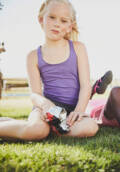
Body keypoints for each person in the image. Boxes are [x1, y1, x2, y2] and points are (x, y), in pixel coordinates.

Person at [0, 0, 112, 140]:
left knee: (91, 127)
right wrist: (46, 105)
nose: (57, 23)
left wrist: (78, 111)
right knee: (37, 130)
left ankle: (53, 128)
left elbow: (85, 86)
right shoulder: (33, 56)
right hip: (45, 109)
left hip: (71, 112)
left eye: (63, 20)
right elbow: (35, 94)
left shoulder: (78, 48)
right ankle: (47, 128)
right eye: (52, 17)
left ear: (70, 26)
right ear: (41, 19)